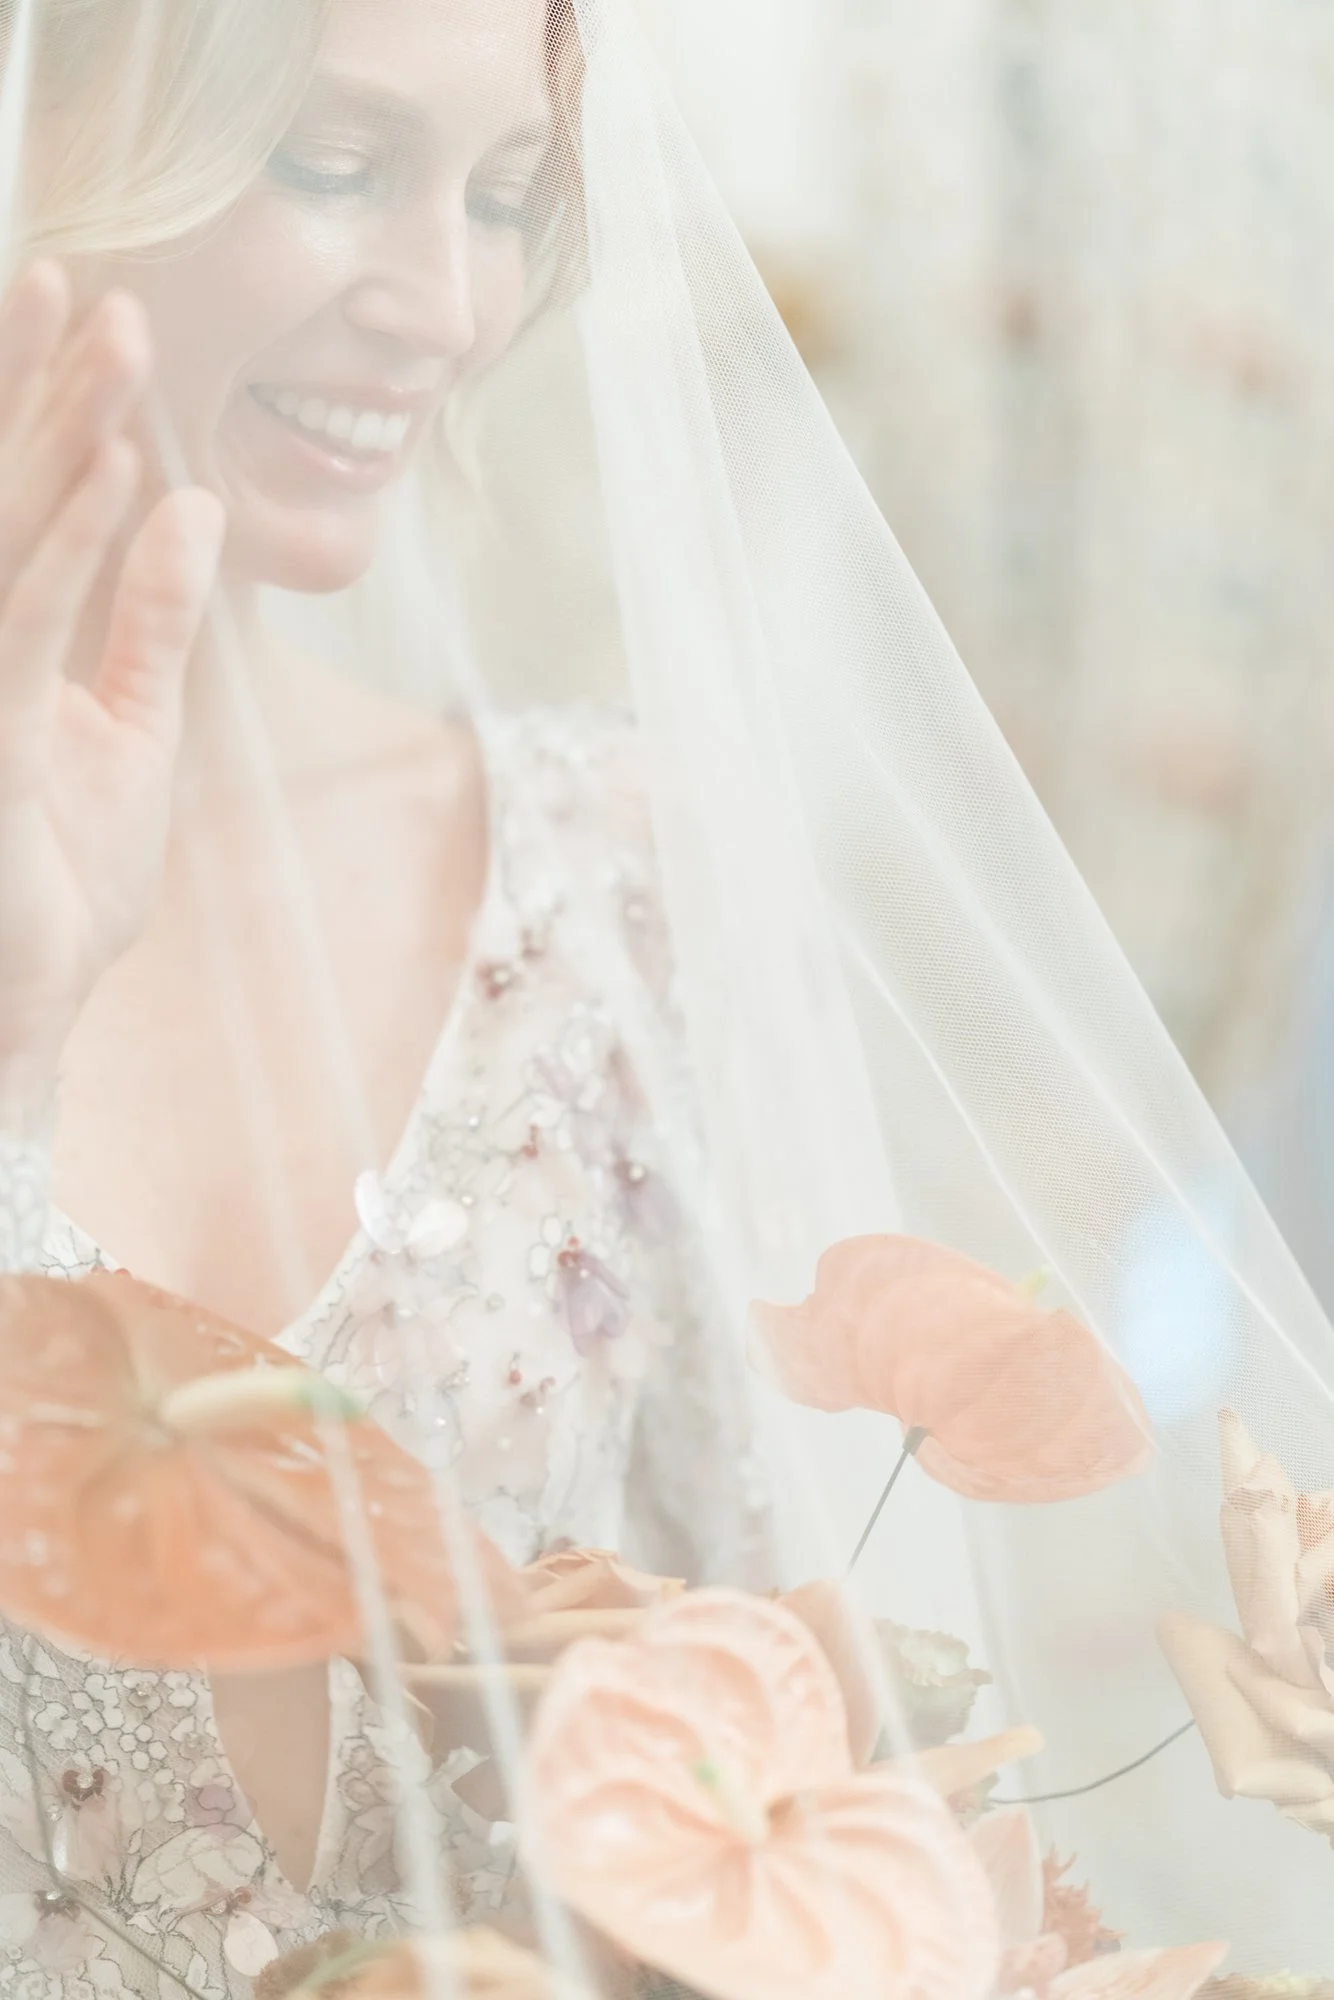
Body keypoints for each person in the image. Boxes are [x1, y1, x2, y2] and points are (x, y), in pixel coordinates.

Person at [3, 0, 1334, 1993]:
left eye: (511, 195)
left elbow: (795, 1788)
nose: (445, 305)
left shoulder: (610, 878)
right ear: (52, 136)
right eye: (340, 168)